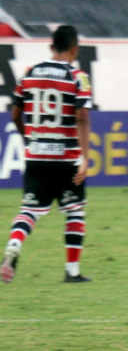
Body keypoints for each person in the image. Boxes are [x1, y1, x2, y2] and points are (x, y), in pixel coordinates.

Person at [1, 25, 93, 284]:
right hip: (66, 157)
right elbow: (82, 117)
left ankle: (14, 245)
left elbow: (16, 114)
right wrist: (84, 158)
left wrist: (27, 137)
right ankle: (72, 271)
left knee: (29, 210)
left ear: (51, 47)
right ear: (74, 49)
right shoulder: (77, 77)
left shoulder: (29, 74)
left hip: (36, 155)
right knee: (74, 210)